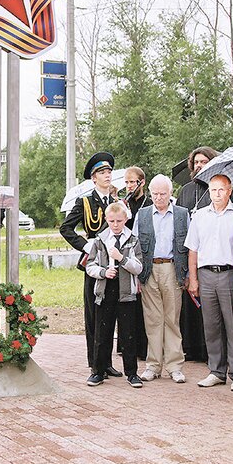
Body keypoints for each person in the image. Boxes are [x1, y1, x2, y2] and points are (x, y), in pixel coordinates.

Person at [60, 152, 121, 377]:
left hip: (113, 260)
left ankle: (107, 362)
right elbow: (66, 228)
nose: (107, 175)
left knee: (111, 311)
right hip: (94, 260)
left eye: (109, 171)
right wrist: (85, 246)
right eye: (102, 172)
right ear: (93, 178)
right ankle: (96, 364)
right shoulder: (85, 202)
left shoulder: (117, 203)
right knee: (94, 313)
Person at [185, 174, 233, 392]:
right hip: (206, 274)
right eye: (213, 190)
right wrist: (193, 279)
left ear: (229, 191)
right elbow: (193, 250)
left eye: (221, 189)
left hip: (230, 273)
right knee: (211, 326)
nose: (217, 194)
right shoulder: (199, 216)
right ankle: (216, 371)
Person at [133, 174, 189, 383]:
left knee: (172, 319)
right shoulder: (143, 214)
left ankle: (175, 366)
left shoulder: (182, 214)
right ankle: (153, 366)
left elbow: (190, 245)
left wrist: (188, 274)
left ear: (170, 193)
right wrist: (137, 275)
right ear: (150, 193)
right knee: (153, 319)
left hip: (172, 268)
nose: (158, 198)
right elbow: (135, 246)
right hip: (149, 270)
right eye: (155, 194)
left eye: (163, 194)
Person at [85, 202, 144, 388]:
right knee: (102, 333)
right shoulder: (100, 240)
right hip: (105, 291)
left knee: (128, 334)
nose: (116, 224)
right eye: (111, 221)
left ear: (126, 219)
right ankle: (98, 371)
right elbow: (90, 266)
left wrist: (122, 259)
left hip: (126, 292)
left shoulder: (133, 240)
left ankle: (132, 373)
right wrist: (103, 272)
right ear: (106, 220)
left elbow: (138, 267)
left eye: (119, 221)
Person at [175, 146, 218, 363]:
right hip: (189, 254)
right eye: (196, 162)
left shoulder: (220, 188)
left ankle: (211, 352)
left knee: (210, 307)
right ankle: (191, 348)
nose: (199, 165)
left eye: (204, 161)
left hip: (212, 254)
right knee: (190, 305)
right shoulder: (185, 190)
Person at [122, 166, 150, 360]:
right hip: (125, 255)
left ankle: (143, 347)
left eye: (133, 182)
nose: (130, 186)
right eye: (127, 182)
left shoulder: (148, 203)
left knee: (143, 304)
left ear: (142, 182)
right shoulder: (124, 203)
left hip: (143, 254)